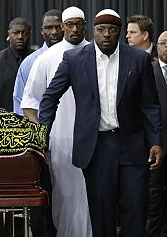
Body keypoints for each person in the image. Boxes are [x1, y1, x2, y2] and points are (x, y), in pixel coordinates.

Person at [39, 9, 162, 237]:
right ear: (93, 31)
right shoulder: (75, 60)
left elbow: (150, 105)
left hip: (133, 145)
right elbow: (50, 97)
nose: (106, 34)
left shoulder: (138, 59)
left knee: (135, 211)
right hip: (97, 148)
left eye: (112, 30)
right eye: (101, 29)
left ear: (120, 33)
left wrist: (155, 141)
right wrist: (42, 134)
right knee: (102, 214)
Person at [21, 6, 91, 237]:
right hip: (58, 141)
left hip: (93, 139)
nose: (74, 29)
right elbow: (30, 104)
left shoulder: (95, 53)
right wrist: (42, 138)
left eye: (78, 24)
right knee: (64, 196)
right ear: (62, 27)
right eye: (69, 24)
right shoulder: (47, 58)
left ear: (85, 26)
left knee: (92, 196)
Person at [13, 9, 63, 116]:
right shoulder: (29, 63)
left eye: (58, 27)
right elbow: (20, 103)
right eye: (48, 28)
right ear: (41, 30)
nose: (54, 32)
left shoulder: (77, 57)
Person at [0, 17, 34, 112]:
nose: (20, 37)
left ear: (30, 34)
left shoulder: (39, 59)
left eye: (24, 33)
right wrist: (6, 117)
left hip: (36, 119)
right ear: (9, 34)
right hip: (4, 121)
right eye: (16, 33)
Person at [147, 31, 167, 237]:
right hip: (155, 146)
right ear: (156, 46)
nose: (166, 47)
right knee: (154, 198)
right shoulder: (148, 71)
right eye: (163, 43)